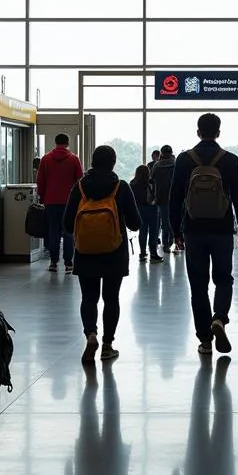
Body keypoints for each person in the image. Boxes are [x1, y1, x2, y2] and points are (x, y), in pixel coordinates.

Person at [170, 114, 238, 356]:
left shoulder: (184, 160)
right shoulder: (229, 160)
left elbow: (174, 199)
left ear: (198, 132)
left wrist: (176, 231)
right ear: (218, 132)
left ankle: (205, 340)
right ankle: (219, 318)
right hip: (223, 229)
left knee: (198, 285)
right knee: (224, 278)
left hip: (193, 229)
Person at [64, 145, 141, 364]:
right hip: (114, 253)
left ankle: (91, 335)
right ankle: (107, 345)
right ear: (113, 163)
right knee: (111, 299)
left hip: (85, 252)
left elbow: (68, 224)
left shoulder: (79, 188)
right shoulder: (121, 187)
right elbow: (135, 224)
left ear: (92, 162)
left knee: (88, 298)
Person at [36, 133, 83, 274]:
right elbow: (80, 181)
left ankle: (53, 262)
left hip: (50, 201)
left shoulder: (45, 159)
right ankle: (69, 263)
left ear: (55, 142)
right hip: (69, 202)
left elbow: (40, 181)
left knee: (53, 231)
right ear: (67, 143)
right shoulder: (74, 159)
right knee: (69, 231)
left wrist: (42, 197)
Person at [131, 165, 163, 264]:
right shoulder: (151, 183)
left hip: (139, 210)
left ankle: (142, 253)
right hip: (152, 209)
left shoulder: (132, 183)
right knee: (153, 232)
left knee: (143, 231)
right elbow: (157, 195)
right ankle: (153, 254)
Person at [151, 145, 177, 253]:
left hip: (161, 196)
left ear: (161, 153)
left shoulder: (157, 165)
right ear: (171, 152)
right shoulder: (176, 164)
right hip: (175, 196)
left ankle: (166, 243)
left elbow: (152, 178)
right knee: (174, 220)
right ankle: (173, 241)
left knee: (165, 222)